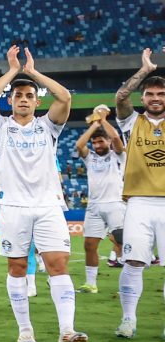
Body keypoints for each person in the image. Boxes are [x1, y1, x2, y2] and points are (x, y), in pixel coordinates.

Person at [0, 46, 86, 342]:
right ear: (10, 101)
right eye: (18, 96)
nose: (24, 99)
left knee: (57, 264)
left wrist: (33, 72)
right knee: (16, 268)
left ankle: (67, 330)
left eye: (29, 96)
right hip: (12, 206)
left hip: (48, 205)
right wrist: (13, 71)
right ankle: (25, 328)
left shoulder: (48, 126)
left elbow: (65, 97)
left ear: (37, 101)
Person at [113, 46, 165, 339]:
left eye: (161, 94)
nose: (156, 98)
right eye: (150, 94)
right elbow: (121, 97)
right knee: (133, 262)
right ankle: (128, 320)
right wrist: (145, 71)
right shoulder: (132, 122)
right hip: (139, 202)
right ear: (143, 98)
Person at [74, 110, 125, 294]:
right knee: (89, 245)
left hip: (115, 204)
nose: (97, 145)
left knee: (122, 243)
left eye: (100, 141)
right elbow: (79, 145)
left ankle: (129, 283)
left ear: (108, 142)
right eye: (94, 142)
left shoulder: (118, 156)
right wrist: (94, 126)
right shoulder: (91, 158)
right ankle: (91, 284)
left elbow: (117, 139)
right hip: (94, 207)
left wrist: (103, 121)